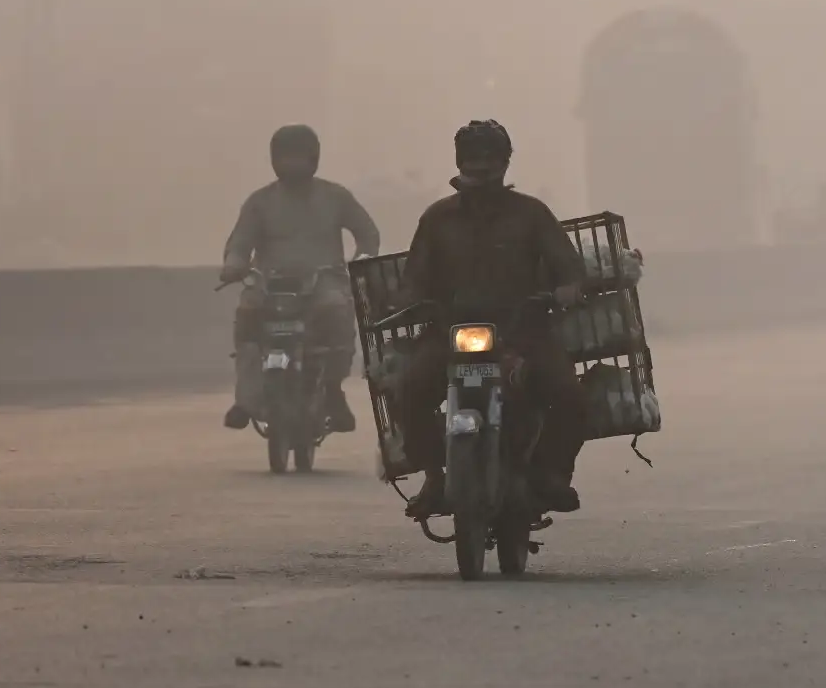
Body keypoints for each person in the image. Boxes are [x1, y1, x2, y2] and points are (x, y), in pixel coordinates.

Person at [392, 120, 596, 520]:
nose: (481, 173)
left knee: (570, 398)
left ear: (504, 164)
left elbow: (568, 267)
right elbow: (414, 277)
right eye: (472, 164)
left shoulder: (532, 214)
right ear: (459, 164)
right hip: (451, 332)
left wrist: (569, 287)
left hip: (525, 332)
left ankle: (553, 472)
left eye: (489, 164)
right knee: (410, 391)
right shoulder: (437, 219)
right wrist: (406, 301)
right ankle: (434, 475)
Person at [222, 125, 379, 434]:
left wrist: (363, 258)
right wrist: (234, 264)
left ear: (314, 159)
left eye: (298, 158)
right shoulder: (260, 202)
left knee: (337, 311)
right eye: (285, 158)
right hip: (269, 284)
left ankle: (333, 391)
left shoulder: (335, 197)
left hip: (323, 281)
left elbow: (367, 232)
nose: (292, 165)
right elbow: (239, 243)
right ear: (273, 160)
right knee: (248, 320)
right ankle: (246, 400)